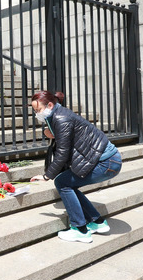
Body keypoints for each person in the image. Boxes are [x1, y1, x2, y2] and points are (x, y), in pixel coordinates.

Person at [29, 90, 122, 243]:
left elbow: (63, 153)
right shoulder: (58, 114)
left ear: (50, 105)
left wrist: (46, 176)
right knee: (69, 183)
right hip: (108, 159)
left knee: (62, 182)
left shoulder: (61, 118)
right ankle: (96, 222)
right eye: (35, 110)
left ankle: (80, 229)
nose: (36, 114)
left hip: (106, 162)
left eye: (38, 110)